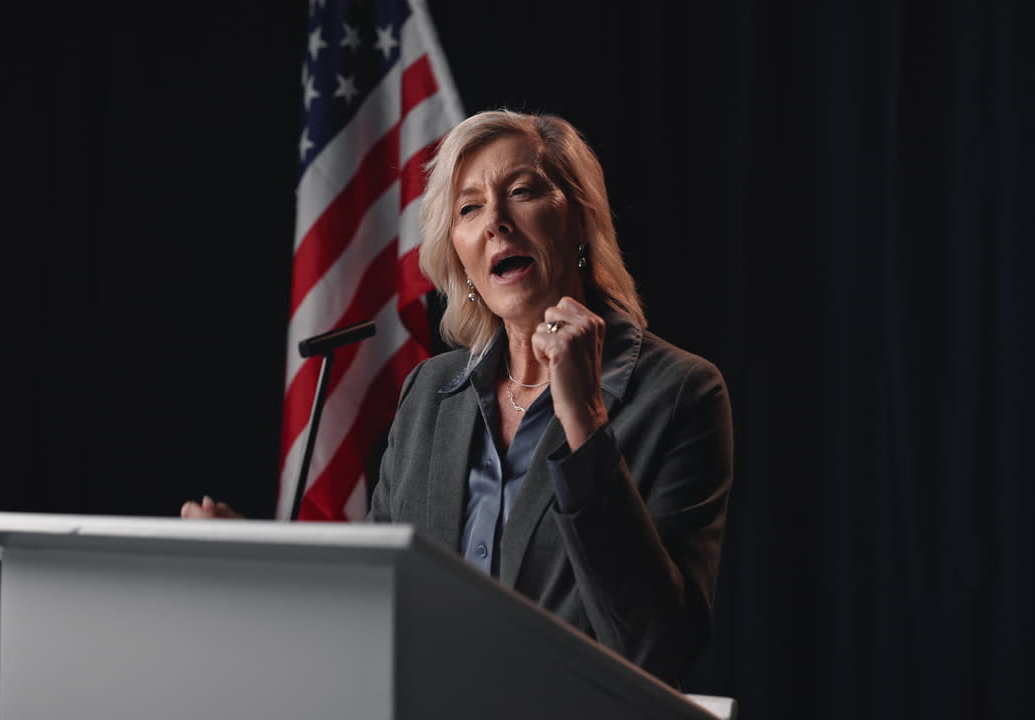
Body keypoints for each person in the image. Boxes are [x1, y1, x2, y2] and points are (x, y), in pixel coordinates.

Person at [185, 110, 733, 687]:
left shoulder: (679, 393)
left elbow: (654, 650)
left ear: (580, 219)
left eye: (521, 192)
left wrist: (584, 420)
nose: (495, 221)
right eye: (469, 209)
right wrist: (253, 562)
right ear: (460, 256)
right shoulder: (429, 393)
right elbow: (375, 601)